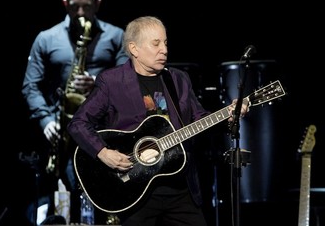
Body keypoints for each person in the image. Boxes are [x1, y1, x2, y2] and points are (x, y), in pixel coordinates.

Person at [67, 16, 249, 226]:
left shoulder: (178, 79)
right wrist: (103, 152)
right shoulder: (112, 82)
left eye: (165, 43)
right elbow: (78, 123)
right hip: (134, 189)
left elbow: (199, 119)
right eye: (156, 44)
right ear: (134, 49)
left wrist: (228, 114)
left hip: (180, 188)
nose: (164, 49)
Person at [21, 0, 128, 224]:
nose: (80, 13)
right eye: (74, 6)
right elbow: (30, 86)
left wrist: (98, 83)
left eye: (87, 7)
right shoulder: (46, 39)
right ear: (64, 3)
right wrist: (46, 120)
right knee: (64, 199)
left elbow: (129, 82)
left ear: (98, 4)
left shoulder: (116, 37)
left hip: (106, 130)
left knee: (108, 199)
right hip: (63, 133)